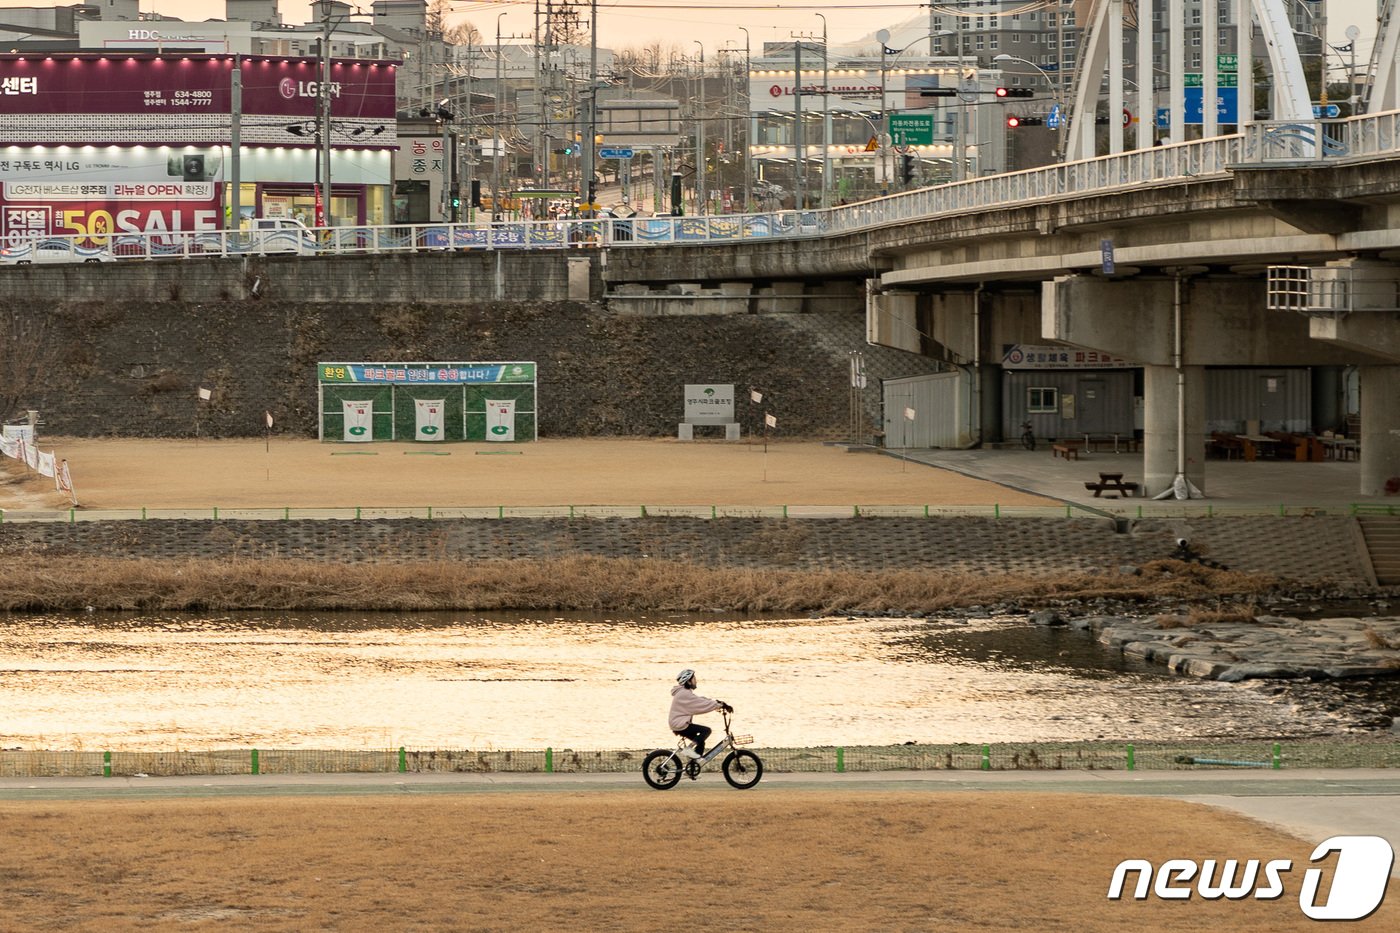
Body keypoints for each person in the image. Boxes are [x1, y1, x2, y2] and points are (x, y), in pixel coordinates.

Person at [668, 668, 731, 760]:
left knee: (700, 742)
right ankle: (689, 749)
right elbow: (700, 704)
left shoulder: (684, 693)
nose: (696, 681)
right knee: (706, 731)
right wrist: (719, 705)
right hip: (679, 724)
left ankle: (694, 765)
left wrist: (716, 703)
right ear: (688, 681)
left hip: (679, 723)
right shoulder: (684, 694)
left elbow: (700, 700)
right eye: (694, 679)